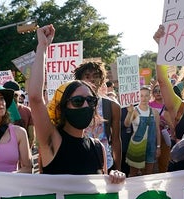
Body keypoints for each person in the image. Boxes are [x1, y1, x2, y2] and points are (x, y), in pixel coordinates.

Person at [28, 24, 125, 183]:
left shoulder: (98, 148)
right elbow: (35, 97)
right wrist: (42, 48)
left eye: (90, 101)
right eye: (78, 101)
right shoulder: (52, 140)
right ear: (64, 107)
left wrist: (115, 178)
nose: (86, 106)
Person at [73, 60, 122, 171]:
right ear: (80, 79)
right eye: (87, 76)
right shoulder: (72, 103)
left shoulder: (112, 105)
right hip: (77, 161)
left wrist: (118, 169)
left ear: (102, 80)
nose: (92, 79)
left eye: (96, 76)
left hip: (104, 163)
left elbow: (116, 140)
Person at [124, 86, 161, 176]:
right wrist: (129, 113)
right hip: (137, 146)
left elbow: (157, 130)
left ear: (150, 97)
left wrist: (158, 146)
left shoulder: (155, 112)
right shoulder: (134, 110)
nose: (144, 98)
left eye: (146, 95)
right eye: (141, 96)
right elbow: (127, 124)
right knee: (133, 173)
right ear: (138, 97)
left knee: (148, 173)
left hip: (151, 146)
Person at [4, 80, 35, 148]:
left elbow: (32, 137)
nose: (12, 98)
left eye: (14, 95)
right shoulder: (27, 110)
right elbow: (31, 137)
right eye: (10, 95)